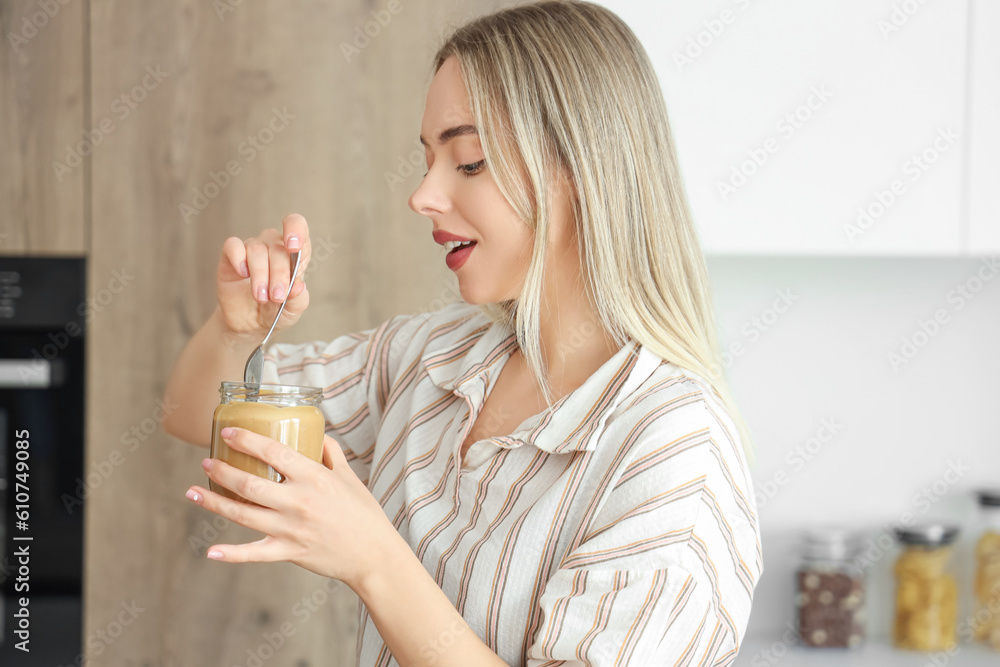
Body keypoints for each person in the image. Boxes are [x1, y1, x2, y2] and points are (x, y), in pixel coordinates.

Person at [163, 1, 763, 665]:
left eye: (468, 161)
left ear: (580, 172)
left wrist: (373, 561)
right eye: (427, 160)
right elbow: (197, 414)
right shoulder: (437, 355)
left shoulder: (673, 452)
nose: (422, 194)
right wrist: (237, 327)